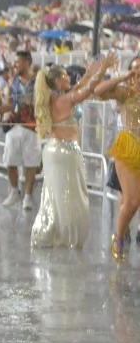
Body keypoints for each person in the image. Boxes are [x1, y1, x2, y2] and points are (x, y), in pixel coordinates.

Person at [31, 58, 108, 250]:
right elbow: (88, 90)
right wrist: (101, 71)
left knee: (58, 196)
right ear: (58, 81)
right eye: (65, 75)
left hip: (57, 151)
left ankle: (58, 231)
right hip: (65, 152)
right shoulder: (63, 100)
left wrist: (89, 74)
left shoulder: (56, 98)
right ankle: (66, 234)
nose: (69, 78)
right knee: (69, 196)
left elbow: (79, 87)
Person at [96, 56, 140, 260]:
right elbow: (99, 91)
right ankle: (119, 238)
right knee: (132, 201)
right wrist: (122, 77)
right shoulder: (125, 92)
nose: (138, 73)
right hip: (129, 147)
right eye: (135, 69)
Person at [1, 50, 40, 209]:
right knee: (10, 160)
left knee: (31, 163)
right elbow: (9, 104)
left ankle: (28, 196)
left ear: (27, 62)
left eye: (18, 62)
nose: (15, 64)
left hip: (32, 127)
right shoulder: (14, 82)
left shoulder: (39, 80)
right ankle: (14, 191)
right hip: (14, 125)